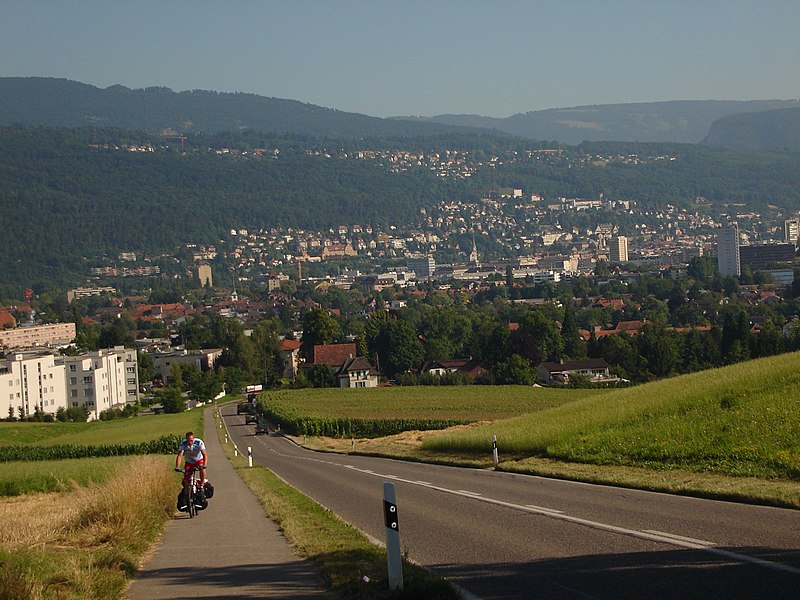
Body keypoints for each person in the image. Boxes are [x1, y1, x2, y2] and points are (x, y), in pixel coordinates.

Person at [175, 431, 207, 509]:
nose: (190, 442)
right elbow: (179, 455)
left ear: (193, 438)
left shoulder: (199, 442)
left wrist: (204, 465)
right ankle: (187, 494)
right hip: (189, 462)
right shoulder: (183, 443)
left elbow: (205, 454)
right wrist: (177, 466)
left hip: (198, 460)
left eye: (191, 440)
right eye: (188, 440)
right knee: (186, 478)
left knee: (202, 470)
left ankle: (201, 484)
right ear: (186, 439)